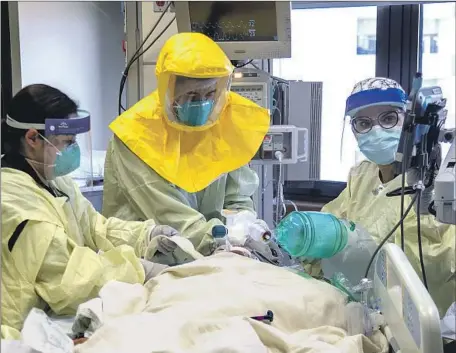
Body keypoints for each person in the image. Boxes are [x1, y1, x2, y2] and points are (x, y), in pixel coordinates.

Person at [1, 84, 174, 337]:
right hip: (19, 332)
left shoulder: (55, 182)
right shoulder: (13, 200)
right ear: (33, 138)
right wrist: (139, 270)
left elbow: (95, 227)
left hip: (50, 320)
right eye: (67, 142)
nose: (74, 150)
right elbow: (70, 279)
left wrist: (146, 237)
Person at [102, 32, 271, 256]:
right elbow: (169, 215)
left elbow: (237, 195)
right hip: (148, 261)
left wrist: (245, 223)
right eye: (191, 94)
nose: (201, 103)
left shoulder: (226, 124)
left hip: (214, 254)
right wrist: (221, 242)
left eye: (210, 93)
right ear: (169, 90)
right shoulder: (136, 136)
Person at [321, 77, 455, 316]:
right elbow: (329, 224)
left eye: (388, 118)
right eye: (363, 123)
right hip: (363, 305)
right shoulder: (362, 175)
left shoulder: (438, 183)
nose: (376, 130)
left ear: (409, 122)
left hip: (424, 319)